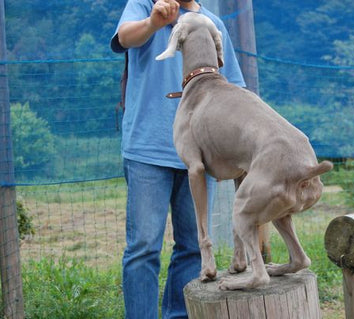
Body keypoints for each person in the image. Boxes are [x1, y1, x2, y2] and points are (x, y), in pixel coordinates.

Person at [110, 0, 246, 318]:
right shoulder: (145, 6)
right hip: (147, 149)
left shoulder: (212, 23)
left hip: (200, 155)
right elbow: (124, 38)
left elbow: (236, 87)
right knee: (143, 248)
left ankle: (179, 314)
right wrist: (154, 23)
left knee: (192, 246)